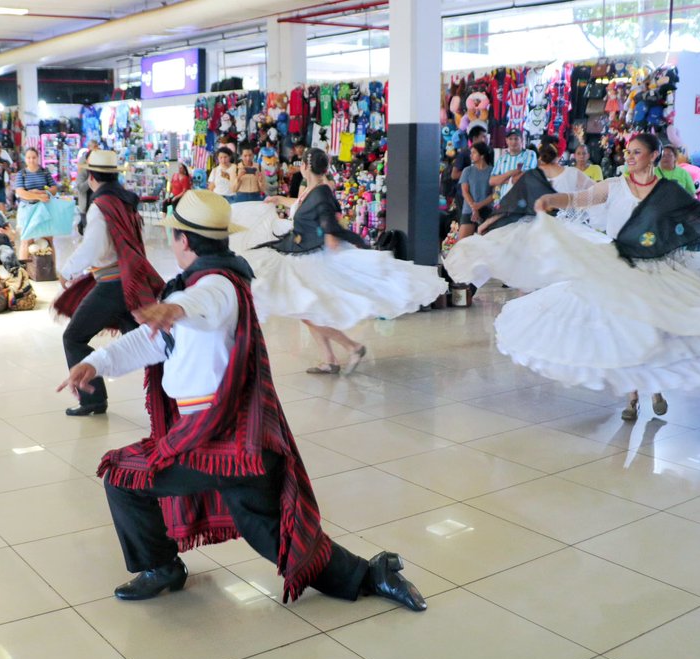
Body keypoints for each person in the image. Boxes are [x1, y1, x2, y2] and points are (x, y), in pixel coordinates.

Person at [58, 189, 427, 612]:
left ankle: (162, 567)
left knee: (122, 476)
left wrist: (174, 310)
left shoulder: (215, 286)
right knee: (266, 530)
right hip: (232, 435)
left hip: (219, 435)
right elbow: (153, 342)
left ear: (184, 241)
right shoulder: (206, 282)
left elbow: (204, 307)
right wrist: (97, 362)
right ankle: (369, 573)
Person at [505, 133, 700, 421]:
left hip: (655, 268)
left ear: (653, 156)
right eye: (628, 152)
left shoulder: (667, 192)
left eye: (636, 152)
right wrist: (550, 199)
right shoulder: (614, 186)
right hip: (618, 266)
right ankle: (632, 398)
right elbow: (579, 199)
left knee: (654, 329)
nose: (629, 157)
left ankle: (653, 386)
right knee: (625, 329)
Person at [238, 149, 446, 374]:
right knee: (306, 311)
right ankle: (330, 359)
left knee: (307, 311)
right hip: (302, 254)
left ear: (305, 167)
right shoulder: (312, 189)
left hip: (313, 259)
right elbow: (301, 206)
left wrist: (330, 237)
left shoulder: (321, 193)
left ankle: (352, 347)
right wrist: (279, 200)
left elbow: (328, 223)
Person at [53, 149, 164, 417]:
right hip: (130, 283)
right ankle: (172, 399)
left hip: (112, 286)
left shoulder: (100, 206)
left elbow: (93, 246)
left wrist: (67, 270)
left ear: (91, 177)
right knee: (149, 344)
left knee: (74, 337)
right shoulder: (124, 201)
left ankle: (92, 400)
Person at [444, 141, 598, 291]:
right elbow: (597, 193)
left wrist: (487, 224)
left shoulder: (532, 177)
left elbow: (511, 205)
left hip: (537, 230)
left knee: (498, 253)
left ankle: (467, 285)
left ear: (539, 159)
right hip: (567, 230)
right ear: (557, 156)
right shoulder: (572, 173)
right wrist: (579, 210)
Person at [12, 147, 59, 259]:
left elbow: (54, 189)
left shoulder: (45, 172)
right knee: (26, 240)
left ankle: (50, 268)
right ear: (25, 159)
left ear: (38, 158)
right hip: (27, 210)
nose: (31, 160)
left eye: (34, 157)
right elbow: (20, 192)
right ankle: (24, 271)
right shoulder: (21, 174)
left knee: (48, 239)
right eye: (29, 157)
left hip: (44, 210)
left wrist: (42, 192)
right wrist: (38, 196)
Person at [489, 129, 538, 206]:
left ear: (522, 140)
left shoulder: (529, 154)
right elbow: (492, 181)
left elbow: (522, 178)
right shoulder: (501, 159)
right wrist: (511, 173)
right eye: (510, 139)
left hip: (522, 203)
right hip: (502, 203)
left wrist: (501, 180)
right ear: (506, 140)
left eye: (516, 139)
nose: (513, 142)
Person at [458, 141, 495, 238]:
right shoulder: (467, 170)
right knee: (462, 244)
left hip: (486, 210)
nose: (471, 155)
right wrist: (474, 207)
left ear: (482, 155)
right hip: (469, 210)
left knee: (485, 244)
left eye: (474, 153)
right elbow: (465, 192)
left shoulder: (493, 171)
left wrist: (478, 206)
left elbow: (495, 194)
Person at [75, 139, 100, 232]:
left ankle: (82, 223)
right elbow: (80, 186)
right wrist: (90, 179)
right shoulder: (83, 162)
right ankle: (82, 223)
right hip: (86, 200)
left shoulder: (100, 161)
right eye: (94, 148)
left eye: (97, 147)